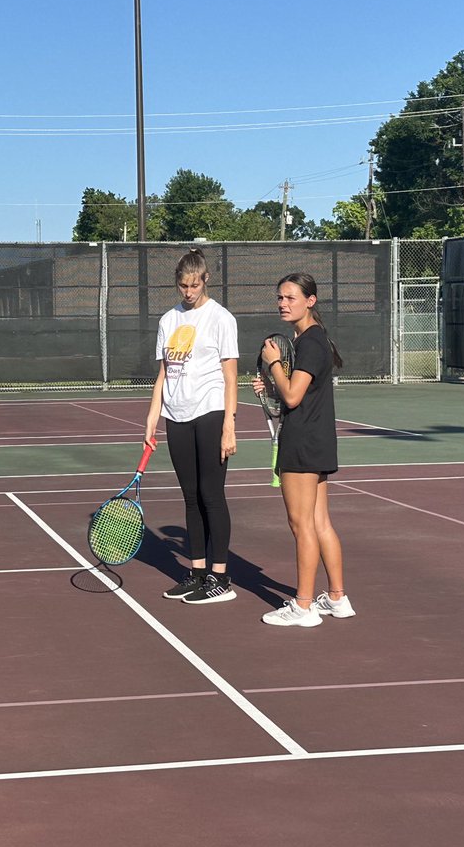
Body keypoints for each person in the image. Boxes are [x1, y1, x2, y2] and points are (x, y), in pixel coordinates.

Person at [254, 273, 354, 628]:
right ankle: (338, 598)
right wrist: (270, 384)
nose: (283, 303)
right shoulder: (313, 340)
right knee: (319, 522)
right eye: (280, 297)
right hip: (318, 440)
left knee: (302, 525)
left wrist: (274, 364)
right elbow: (296, 394)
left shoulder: (310, 343)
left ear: (310, 301)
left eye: (291, 297)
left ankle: (304, 606)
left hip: (303, 444)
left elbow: (293, 396)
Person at [144, 248, 239, 605]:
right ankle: (197, 573)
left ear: (205, 279)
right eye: (183, 285)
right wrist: (153, 418)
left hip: (211, 410)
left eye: (194, 284)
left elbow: (231, 377)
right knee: (190, 496)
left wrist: (229, 425)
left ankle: (220, 577)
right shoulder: (169, 320)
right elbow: (164, 374)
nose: (188, 291)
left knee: (211, 495)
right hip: (177, 414)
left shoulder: (221, 319)